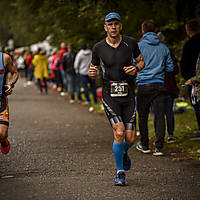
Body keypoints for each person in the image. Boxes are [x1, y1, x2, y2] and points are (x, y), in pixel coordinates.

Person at [88, 12, 145, 186]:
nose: (113, 27)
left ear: (120, 26)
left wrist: (136, 69)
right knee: (119, 132)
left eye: (116, 24)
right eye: (110, 24)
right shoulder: (98, 48)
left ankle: (122, 151)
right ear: (105, 27)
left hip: (128, 94)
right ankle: (120, 172)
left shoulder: (131, 43)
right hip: (109, 94)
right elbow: (93, 67)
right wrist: (91, 73)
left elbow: (141, 61)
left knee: (130, 138)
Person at [135, 20, 174, 156]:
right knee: (159, 116)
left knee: (143, 116)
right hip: (159, 85)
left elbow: (133, 66)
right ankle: (159, 147)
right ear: (156, 30)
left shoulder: (138, 46)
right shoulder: (164, 48)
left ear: (143, 31)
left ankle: (145, 145)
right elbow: (170, 67)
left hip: (143, 85)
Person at [154, 32, 179, 144]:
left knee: (158, 113)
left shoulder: (153, 52)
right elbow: (175, 70)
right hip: (169, 86)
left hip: (157, 85)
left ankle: (158, 136)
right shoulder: (169, 52)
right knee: (169, 112)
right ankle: (170, 134)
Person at [180, 20, 200, 140]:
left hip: (193, 80)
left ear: (188, 30)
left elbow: (184, 64)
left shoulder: (189, 45)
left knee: (197, 105)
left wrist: (187, 78)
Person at [0, 52, 19, 154]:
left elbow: (15, 72)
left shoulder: (4, 58)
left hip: (1, 99)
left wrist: (10, 84)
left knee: (2, 134)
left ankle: (3, 141)